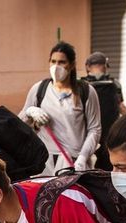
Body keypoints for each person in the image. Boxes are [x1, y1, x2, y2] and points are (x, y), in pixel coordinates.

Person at [20, 42, 102, 174]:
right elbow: (20, 122)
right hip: (45, 162)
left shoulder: (86, 91)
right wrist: (30, 111)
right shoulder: (39, 89)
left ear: (72, 65)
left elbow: (95, 129)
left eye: (62, 62)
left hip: (74, 163)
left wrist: (82, 157)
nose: (56, 67)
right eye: (53, 61)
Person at [81, 52, 126, 171]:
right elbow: (121, 106)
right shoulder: (114, 83)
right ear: (105, 66)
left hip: (86, 135)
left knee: (84, 168)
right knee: (107, 168)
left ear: (87, 67)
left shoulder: (80, 85)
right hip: (109, 135)